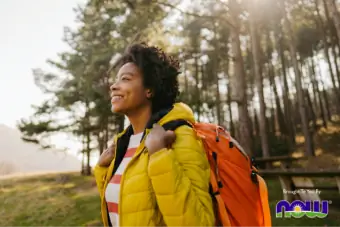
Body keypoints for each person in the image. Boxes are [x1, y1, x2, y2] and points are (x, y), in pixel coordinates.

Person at [94, 43, 215, 227]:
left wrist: (159, 156)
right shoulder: (121, 145)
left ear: (149, 89)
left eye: (125, 79)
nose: (113, 86)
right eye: (116, 79)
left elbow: (199, 223)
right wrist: (102, 170)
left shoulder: (178, 135)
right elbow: (127, 210)